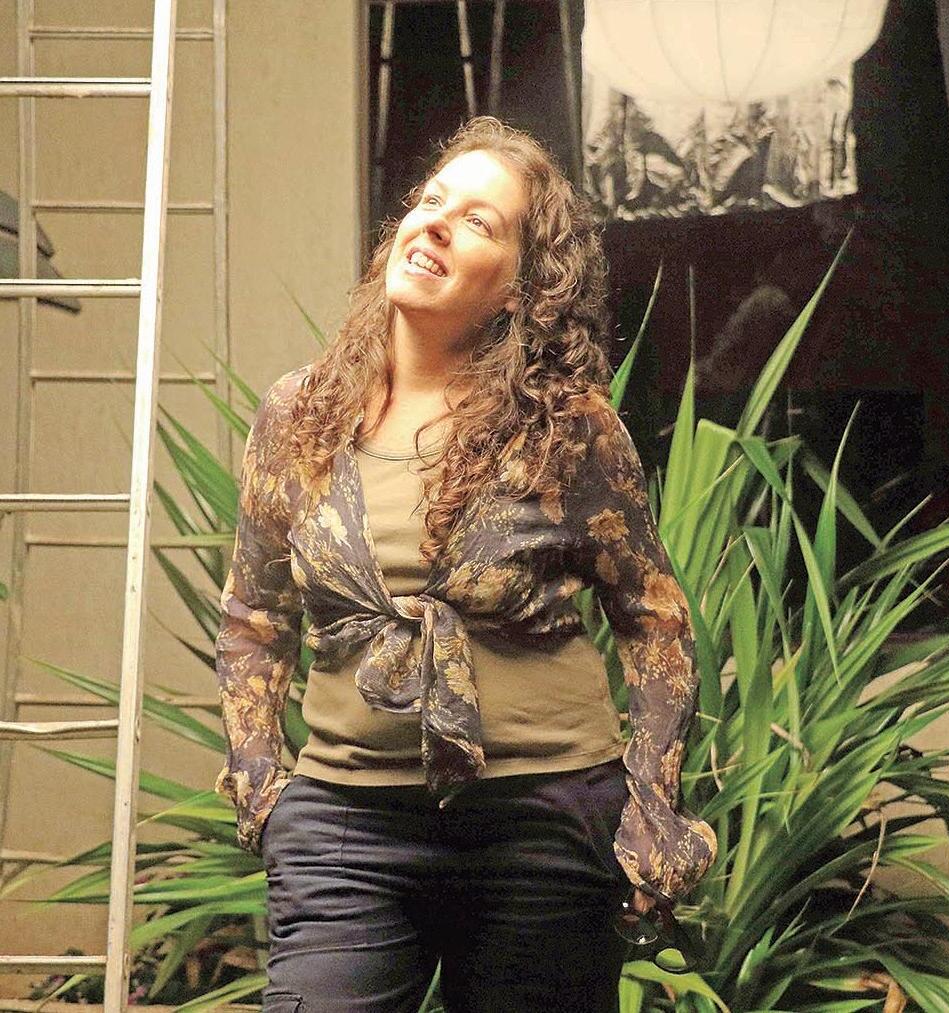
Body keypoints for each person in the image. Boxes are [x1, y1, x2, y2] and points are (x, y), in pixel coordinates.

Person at [213, 115, 716, 1012]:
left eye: (479, 221)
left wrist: (650, 807)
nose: (437, 223)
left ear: (521, 289)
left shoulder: (569, 428)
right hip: (345, 822)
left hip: (543, 819)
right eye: (431, 201)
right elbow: (254, 618)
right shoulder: (299, 414)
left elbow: (654, 619)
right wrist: (262, 788)